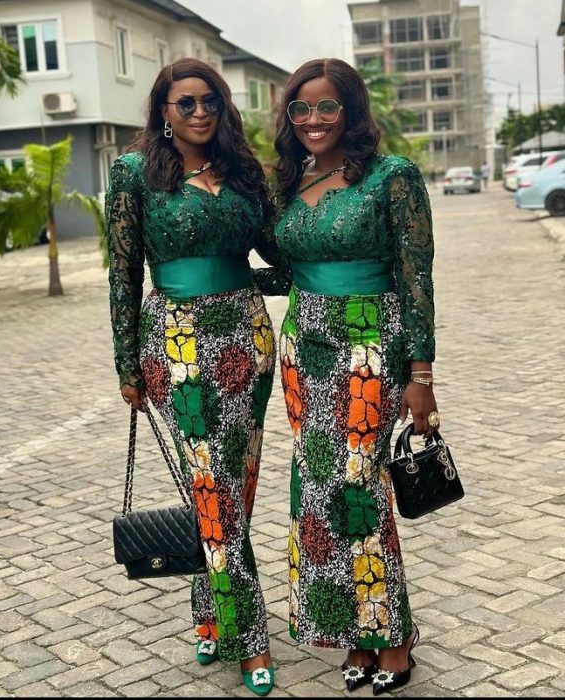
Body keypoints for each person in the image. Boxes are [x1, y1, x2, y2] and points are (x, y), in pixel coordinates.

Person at [105, 58, 279, 696]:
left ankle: (211, 613)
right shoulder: (133, 174)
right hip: (176, 344)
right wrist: (127, 363)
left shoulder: (244, 174)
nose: (200, 112)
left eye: (210, 101)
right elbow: (123, 272)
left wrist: (242, 283)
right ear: (163, 111)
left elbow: (282, 258)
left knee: (236, 488)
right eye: (186, 103)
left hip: (248, 342)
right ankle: (248, 638)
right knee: (213, 488)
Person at [272, 58, 438, 695]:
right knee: (317, 491)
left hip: (371, 339)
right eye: (301, 108)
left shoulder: (392, 176)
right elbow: (289, 269)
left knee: (359, 483)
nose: (313, 119)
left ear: (352, 111)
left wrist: (421, 373)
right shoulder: (291, 180)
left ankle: (392, 634)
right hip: (303, 347)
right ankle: (355, 633)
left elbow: (417, 277)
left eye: (327, 107)